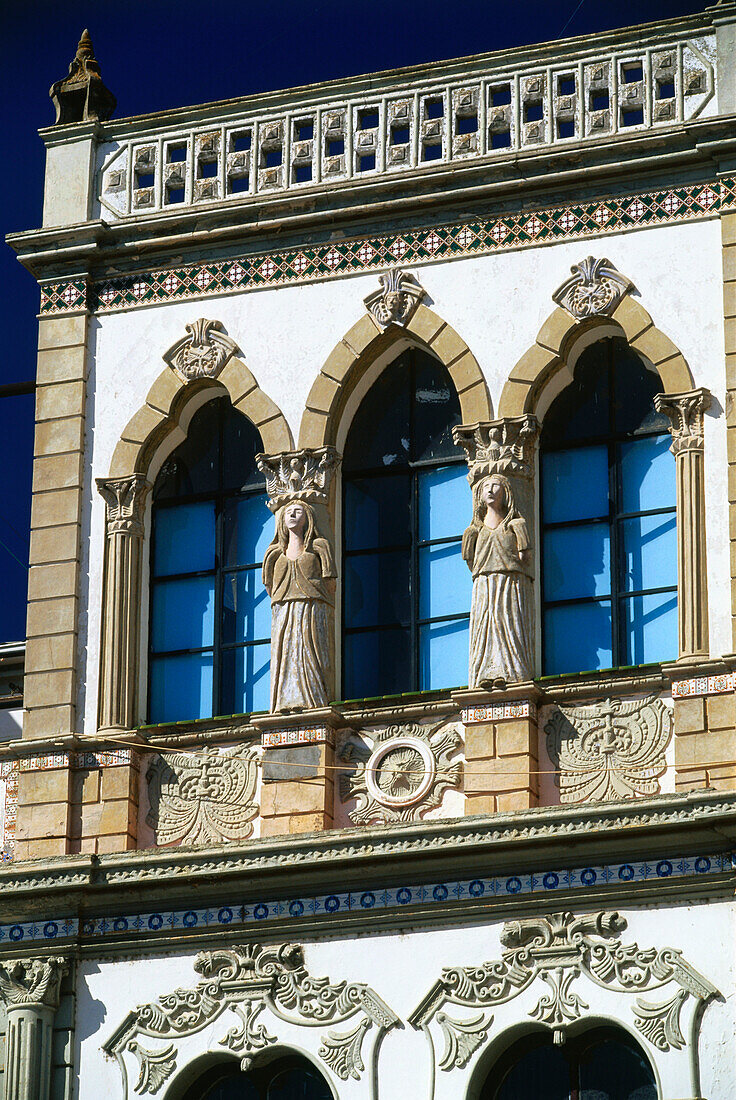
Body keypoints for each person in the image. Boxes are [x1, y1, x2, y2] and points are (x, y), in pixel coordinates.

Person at [262, 499, 336, 712]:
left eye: (298, 511)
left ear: (308, 518)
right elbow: (269, 587)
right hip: (283, 611)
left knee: (310, 651)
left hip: (312, 609)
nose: (293, 515)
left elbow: (330, 582)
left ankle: (312, 700)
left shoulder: (320, 547)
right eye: (289, 512)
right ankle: (284, 701)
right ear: (282, 521)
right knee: (285, 654)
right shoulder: (273, 554)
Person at [461, 473, 533, 689]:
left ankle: (509, 672)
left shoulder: (516, 524)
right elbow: (469, 559)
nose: (491, 490)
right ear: (480, 495)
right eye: (486, 487)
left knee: (507, 623)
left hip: (509, 581)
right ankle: (485, 672)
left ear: (506, 492)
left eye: (496, 486)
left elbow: (525, 557)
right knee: (485, 626)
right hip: (484, 582)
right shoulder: (473, 531)